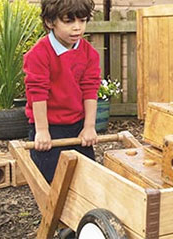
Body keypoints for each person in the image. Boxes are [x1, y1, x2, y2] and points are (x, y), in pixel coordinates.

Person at [23, 0, 101, 184]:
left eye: (82, 21)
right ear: (50, 22)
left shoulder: (89, 54)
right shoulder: (38, 54)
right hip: (48, 126)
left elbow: (90, 89)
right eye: (68, 22)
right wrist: (42, 131)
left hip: (77, 125)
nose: (77, 28)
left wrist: (89, 127)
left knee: (87, 178)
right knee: (52, 180)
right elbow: (38, 93)